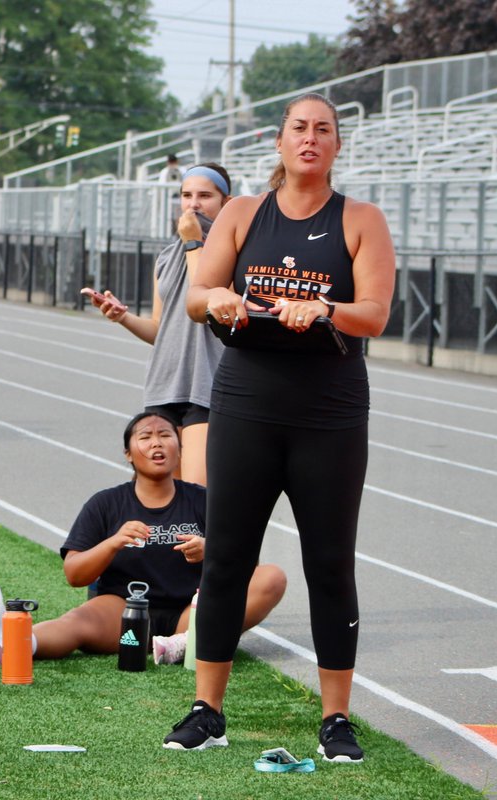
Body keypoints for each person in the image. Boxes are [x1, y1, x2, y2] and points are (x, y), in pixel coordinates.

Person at [164, 93, 395, 762]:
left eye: (325, 130)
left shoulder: (360, 220)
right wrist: (225, 299)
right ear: (279, 139)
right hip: (245, 406)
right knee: (229, 554)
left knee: (330, 563)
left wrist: (323, 308)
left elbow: (375, 313)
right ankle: (207, 709)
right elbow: (197, 297)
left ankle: (336, 719)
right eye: (300, 128)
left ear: (337, 146)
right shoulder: (240, 215)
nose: (312, 139)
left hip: (329, 414)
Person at [0, 412, 285, 665]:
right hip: (123, 610)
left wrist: (211, 550)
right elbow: (74, 574)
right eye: (145, 437)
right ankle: (9, 644)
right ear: (128, 454)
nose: (156, 443)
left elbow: (246, 564)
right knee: (76, 621)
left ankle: (182, 643)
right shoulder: (105, 503)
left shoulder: (204, 500)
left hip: (193, 610)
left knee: (272, 577)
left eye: (165, 435)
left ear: (180, 449)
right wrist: (114, 542)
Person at [82, 164, 233, 485]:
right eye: (186, 195)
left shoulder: (234, 255)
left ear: (226, 203)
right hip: (164, 388)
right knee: (168, 500)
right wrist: (122, 316)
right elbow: (159, 330)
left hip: (206, 389)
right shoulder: (165, 258)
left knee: (197, 498)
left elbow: (204, 298)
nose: (193, 204)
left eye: (205, 196)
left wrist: (195, 243)